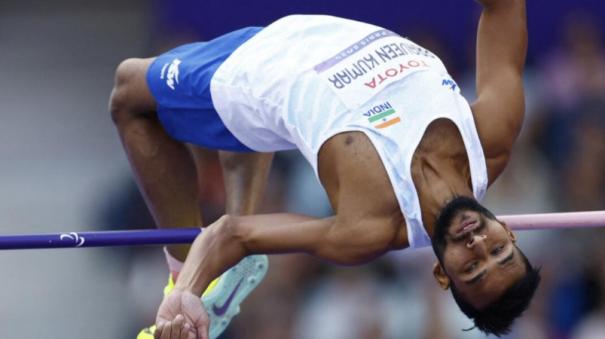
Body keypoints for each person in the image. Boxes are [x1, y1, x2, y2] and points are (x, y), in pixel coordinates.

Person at [109, 0, 541, 338]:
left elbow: (232, 234)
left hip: (258, 69)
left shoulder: (369, 227)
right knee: (246, 131)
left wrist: (187, 291)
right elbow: (503, 7)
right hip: (308, 35)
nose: (478, 244)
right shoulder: (494, 137)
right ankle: (230, 273)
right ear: (510, 231)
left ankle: (181, 267)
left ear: (441, 273)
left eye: (470, 267)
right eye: (499, 250)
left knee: (128, 92)